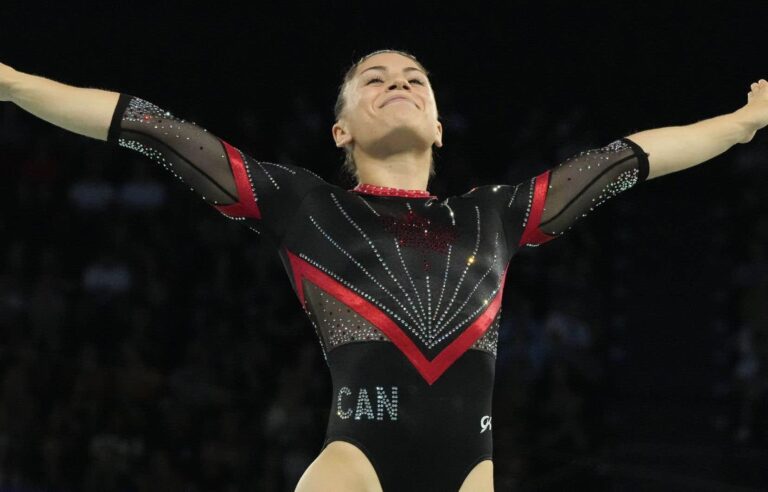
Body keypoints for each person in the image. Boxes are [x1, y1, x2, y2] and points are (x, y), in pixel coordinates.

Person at [1, 49, 766, 492]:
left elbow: (624, 161)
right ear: (341, 128)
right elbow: (147, 127)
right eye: (374, 78)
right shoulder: (301, 204)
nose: (397, 81)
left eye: (415, 78)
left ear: (437, 124)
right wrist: (9, 83)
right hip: (354, 467)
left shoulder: (494, 214)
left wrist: (738, 126)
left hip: (472, 471)